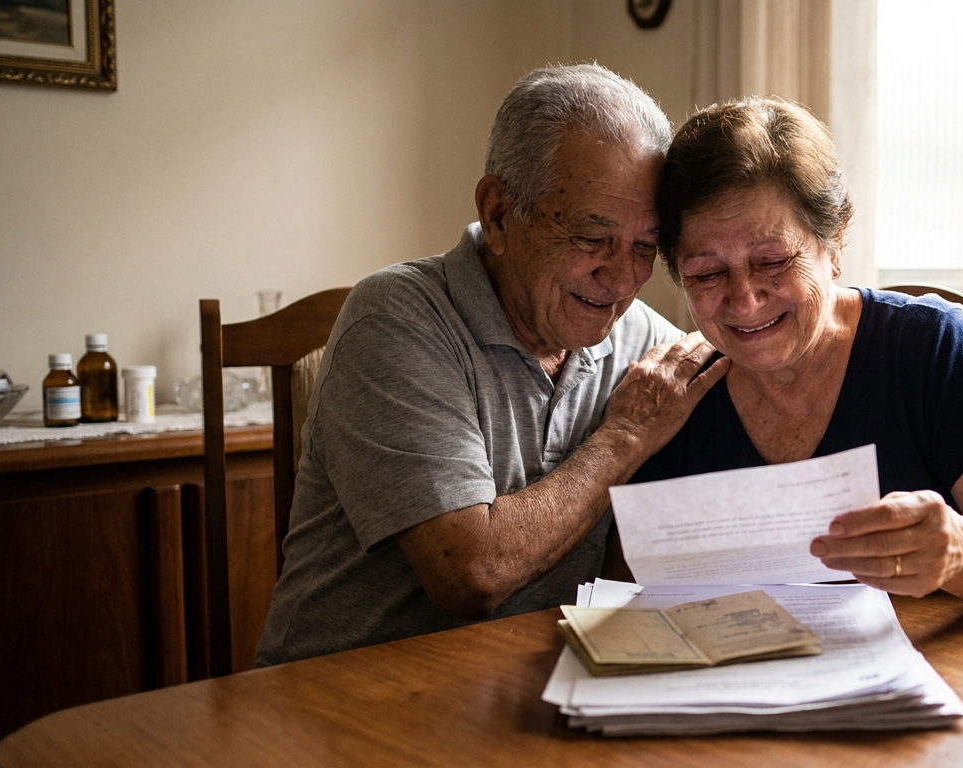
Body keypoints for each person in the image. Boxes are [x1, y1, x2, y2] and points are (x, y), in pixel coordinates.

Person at [255, 64, 730, 666]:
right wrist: (626, 436)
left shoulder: (641, 340)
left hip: (517, 691)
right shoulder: (396, 317)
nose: (622, 279)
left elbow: (749, 382)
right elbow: (471, 573)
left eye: (644, 246)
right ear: (500, 212)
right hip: (334, 703)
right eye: (591, 236)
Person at [633, 97, 963, 620]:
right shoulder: (675, 393)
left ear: (836, 241)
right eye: (707, 273)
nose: (745, 299)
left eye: (772, 262)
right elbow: (627, 594)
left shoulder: (929, 350)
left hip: (946, 682)